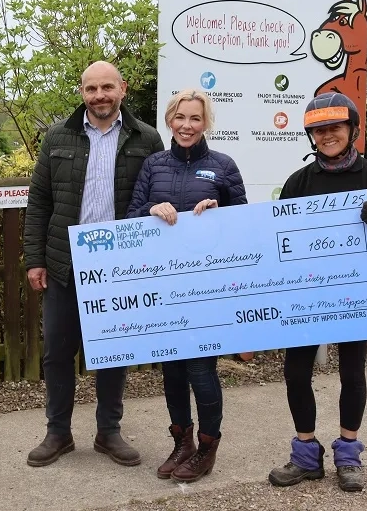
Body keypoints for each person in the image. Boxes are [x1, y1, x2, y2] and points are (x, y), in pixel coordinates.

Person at [23, 61, 164, 468]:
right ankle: (58, 432)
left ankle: (108, 431)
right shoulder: (57, 137)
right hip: (66, 262)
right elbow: (40, 203)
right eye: (91, 89)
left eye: (107, 87)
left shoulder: (146, 139)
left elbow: (160, 194)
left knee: (115, 350)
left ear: (122, 89)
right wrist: (35, 259)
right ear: (81, 93)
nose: (99, 95)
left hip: (120, 265)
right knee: (57, 352)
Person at [267, 91, 367, 492]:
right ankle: (305, 456)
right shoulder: (299, 182)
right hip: (304, 296)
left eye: (335, 128)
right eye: (320, 130)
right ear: (312, 136)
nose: (328, 136)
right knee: (295, 373)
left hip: (354, 297)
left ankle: (349, 455)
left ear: (352, 130)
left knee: (352, 374)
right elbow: (280, 242)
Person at [125, 89, 247, 482]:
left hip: (207, 289)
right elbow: (130, 217)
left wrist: (219, 211)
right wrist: (149, 210)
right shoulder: (153, 164)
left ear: (205, 122)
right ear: (169, 121)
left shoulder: (223, 166)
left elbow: (244, 225)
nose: (186, 125)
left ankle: (208, 447)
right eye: (180, 117)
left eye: (195, 118)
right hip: (165, 287)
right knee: (172, 371)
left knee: (201, 370)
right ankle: (182, 443)